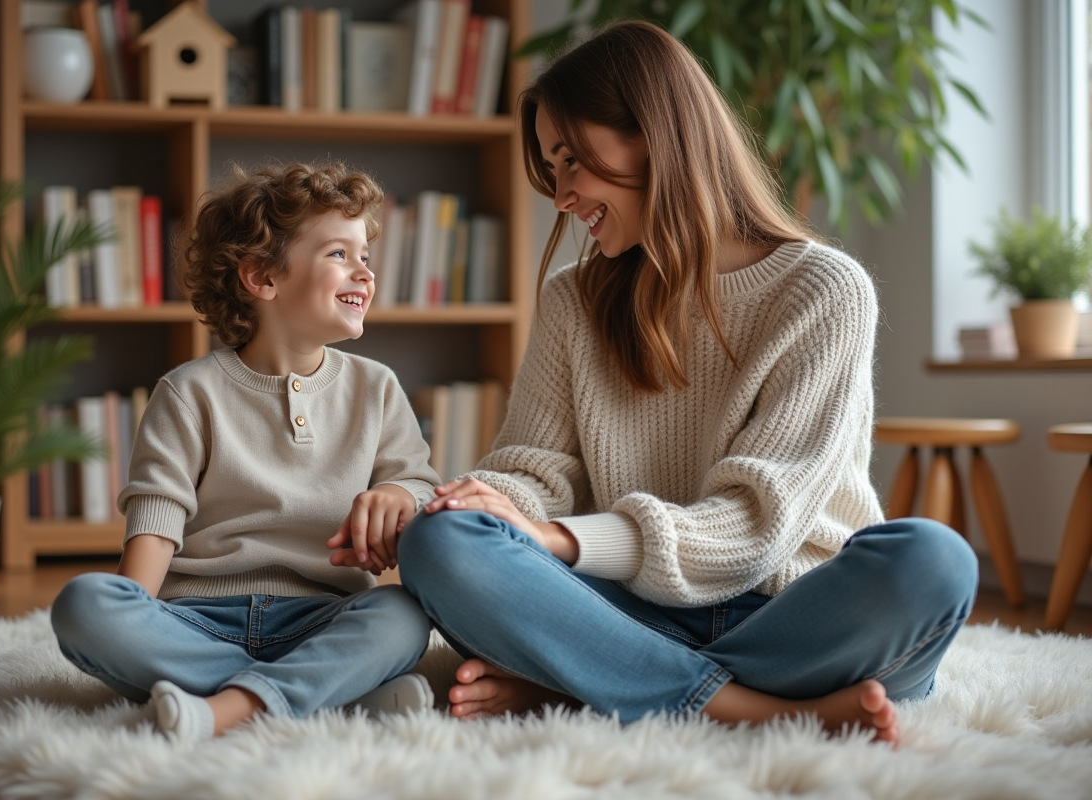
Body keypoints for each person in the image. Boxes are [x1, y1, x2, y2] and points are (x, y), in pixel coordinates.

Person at [396, 21, 977, 748]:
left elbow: (755, 526)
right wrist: (468, 504)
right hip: (631, 607)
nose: (561, 195)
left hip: (791, 609)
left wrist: (555, 542)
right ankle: (744, 707)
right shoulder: (573, 299)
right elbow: (534, 472)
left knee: (933, 561)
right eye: (551, 167)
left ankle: (590, 685)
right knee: (439, 543)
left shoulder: (824, 290)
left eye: (571, 160)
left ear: (654, 136)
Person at [51, 160, 441, 741]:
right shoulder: (187, 393)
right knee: (83, 604)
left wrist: (398, 494)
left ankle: (225, 706)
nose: (364, 272)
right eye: (339, 254)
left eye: (365, 255)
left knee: (403, 615)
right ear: (262, 277)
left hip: (322, 618)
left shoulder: (377, 388)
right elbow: (155, 520)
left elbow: (421, 486)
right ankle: (327, 692)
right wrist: (127, 613)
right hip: (196, 621)